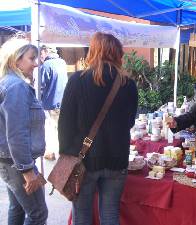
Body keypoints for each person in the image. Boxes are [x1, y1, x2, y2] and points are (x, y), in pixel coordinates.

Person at [58, 32, 138, 225]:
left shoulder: (77, 80)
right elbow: (129, 122)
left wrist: (66, 155)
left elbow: (65, 124)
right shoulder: (128, 84)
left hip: (83, 160)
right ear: (117, 54)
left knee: (82, 214)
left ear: (93, 51)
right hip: (117, 159)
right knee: (110, 213)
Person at [0, 37, 48, 225]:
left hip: (11, 162)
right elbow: (16, 133)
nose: (36, 64)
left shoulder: (9, 83)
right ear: (16, 60)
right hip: (18, 164)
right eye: (31, 58)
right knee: (38, 214)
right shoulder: (16, 87)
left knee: (18, 208)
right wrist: (27, 170)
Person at [39, 45, 68, 160]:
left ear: (45, 51)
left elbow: (40, 85)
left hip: (50, 103)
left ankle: (50, 153)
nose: (40, 56)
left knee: (50, 129)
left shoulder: (46, 65)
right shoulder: (62, 62)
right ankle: (63, 152)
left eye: (41, 53)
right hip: (63, 101)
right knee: (60, 128)